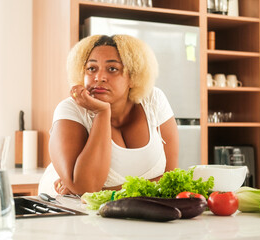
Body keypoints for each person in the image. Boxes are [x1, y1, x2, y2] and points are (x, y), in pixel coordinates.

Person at [38, 34, 179, 196]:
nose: (99, 77)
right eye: (91, 68)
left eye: (112, 69)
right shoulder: (69, 110)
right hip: (67, 215)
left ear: (133, 77)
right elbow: (86, 188)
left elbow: (171, 179)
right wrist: (102, 113)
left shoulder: (153, 101)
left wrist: (106, 191)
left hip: (133, 214)